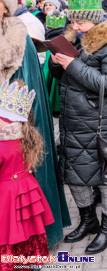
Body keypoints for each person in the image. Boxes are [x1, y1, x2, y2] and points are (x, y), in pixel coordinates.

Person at [49, 0, 107, 254]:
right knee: (74, 176)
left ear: (96, 20)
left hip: (102, 124)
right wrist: (56, 62)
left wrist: (72, 64)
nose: (75, 26)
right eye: (72, 21)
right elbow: (63, 77)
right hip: (74, 122)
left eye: (80, 21)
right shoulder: (73, 40)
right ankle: (88, 221)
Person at [0, 0, 71, 248]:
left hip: (13, 123)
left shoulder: (18, 38)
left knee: (19, 182)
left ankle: (29, 241)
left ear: (5, 7)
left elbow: (28, 91)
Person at [0, 81, 55, 271]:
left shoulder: (2, 145)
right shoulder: (27, 135)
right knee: (29, 227)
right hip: (27, 189)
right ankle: (32, 263)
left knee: (10, 231)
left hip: (6, 195)